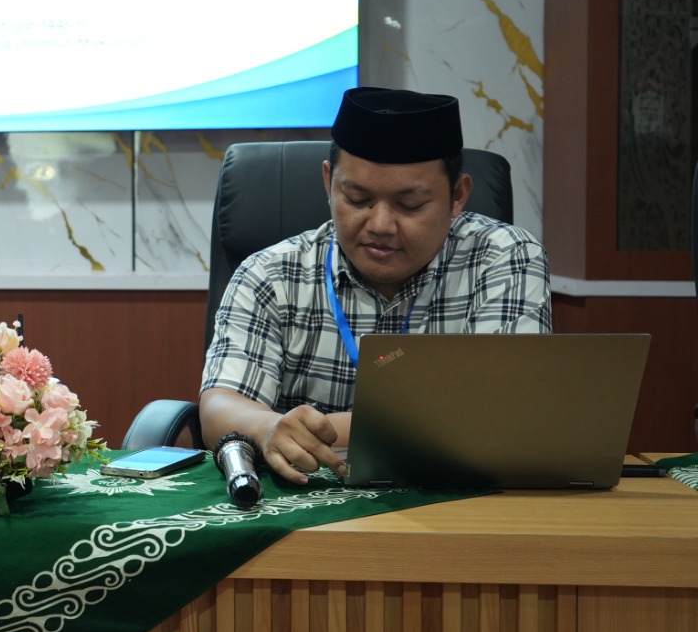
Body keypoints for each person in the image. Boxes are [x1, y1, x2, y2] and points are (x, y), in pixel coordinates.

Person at [199, 86, 551, 484]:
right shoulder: (270, 274)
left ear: (457, 195)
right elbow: (220, 407)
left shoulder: (504, 258)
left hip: (455, 497)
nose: (381, 225)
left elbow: (504, 412)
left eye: (409, 205)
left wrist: (315, 432)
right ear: (329, 183)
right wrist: (265, 428)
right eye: (357, 198)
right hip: (306, 498)